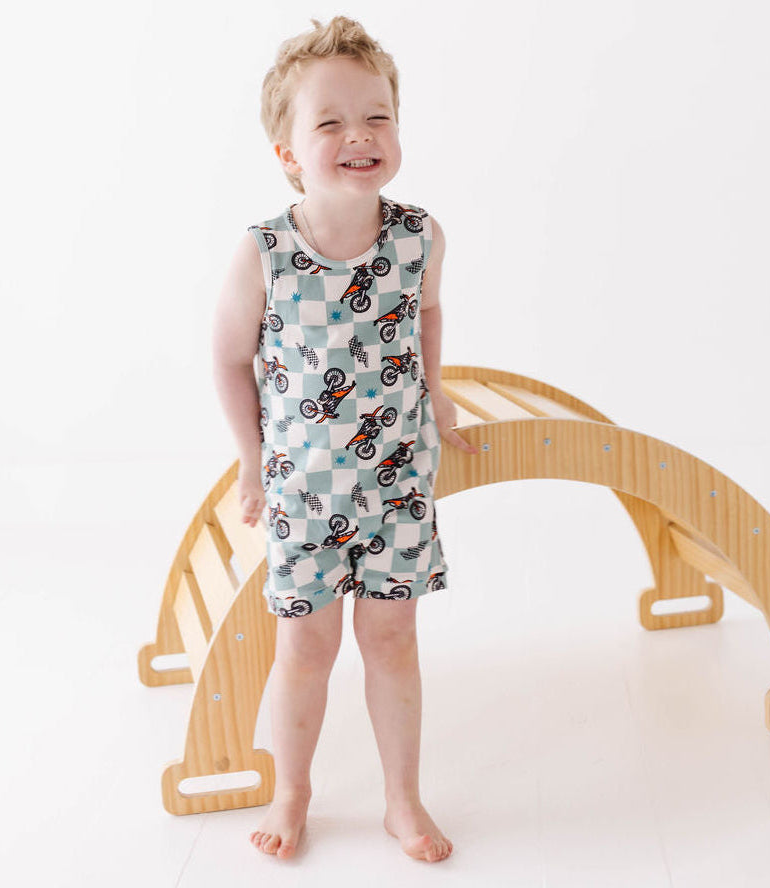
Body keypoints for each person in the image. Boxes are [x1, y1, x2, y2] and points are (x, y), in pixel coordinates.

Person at [212, 15, 476, 863]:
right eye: (329, 122)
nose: (359, 135)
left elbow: (425, 313)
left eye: (377, 116)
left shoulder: (417, 236)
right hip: (303, 491)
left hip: (397, 482)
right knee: (306, 645)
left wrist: (436, 394)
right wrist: (252, 462)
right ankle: (293, 791)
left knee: (393, 640)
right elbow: (227, 359)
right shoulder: (265, 254)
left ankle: (403, 800)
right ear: (288, 150)